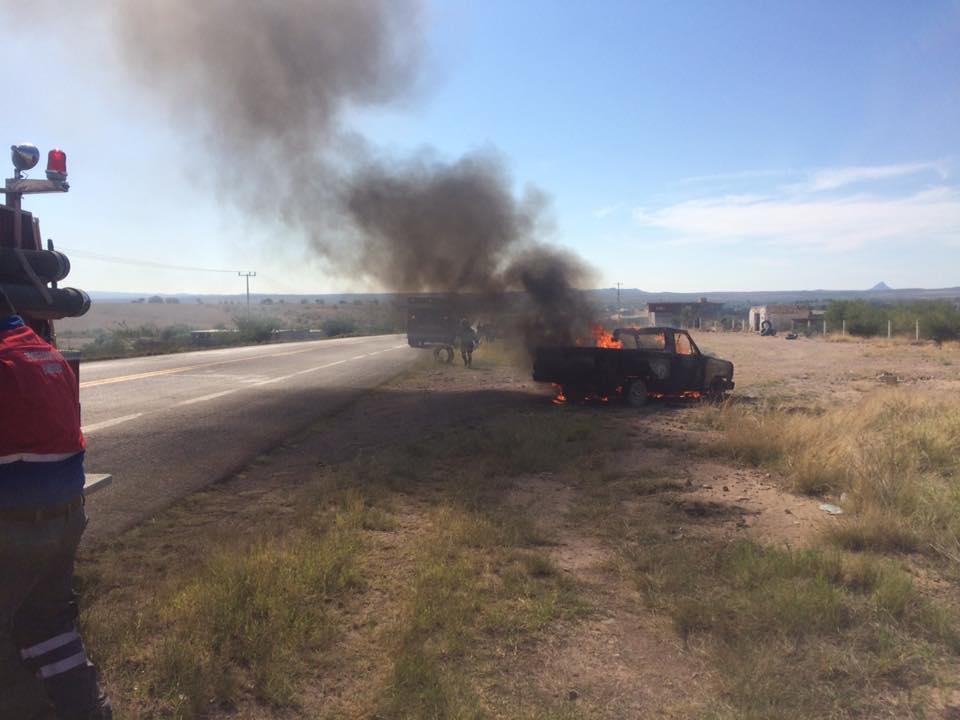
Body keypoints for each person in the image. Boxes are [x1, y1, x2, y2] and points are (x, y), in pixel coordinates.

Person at [0, 310, 112, 720]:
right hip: (63, 516)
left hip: (13, 525)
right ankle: (84, 708)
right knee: (48, 623)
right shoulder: (45, 353)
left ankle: (21, 707)